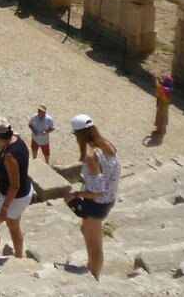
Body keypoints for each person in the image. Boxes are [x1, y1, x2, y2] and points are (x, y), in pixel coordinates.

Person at [65, 114, 120, 281]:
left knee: (94, 246)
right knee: (86, 231)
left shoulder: (92, 156)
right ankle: (91, 268)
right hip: (108, 200)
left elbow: (97, 191)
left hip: (97, 204)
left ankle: (94, 277)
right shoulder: (108, 145)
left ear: (79, 134)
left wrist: (77, 194)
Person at [0, 117, 33, 272]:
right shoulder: (18, 141)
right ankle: (19, 257)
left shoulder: (9, 155)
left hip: (14, 197)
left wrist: (5, 207)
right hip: (24, 192)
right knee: (13, 226)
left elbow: (14, 185)